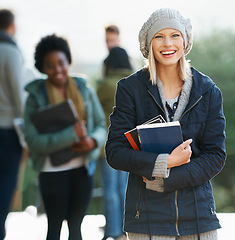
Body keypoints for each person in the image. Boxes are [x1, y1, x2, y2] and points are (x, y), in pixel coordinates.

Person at [106, 8, 226, 240]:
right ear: (149, 43)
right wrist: (165, 162)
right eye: (159, 36)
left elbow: (215, 155)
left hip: (199, 215)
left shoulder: (208, 90)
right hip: (147, 217)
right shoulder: (130, 89)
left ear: (185, 40)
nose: (167, 43)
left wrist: (164, 178)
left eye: (175, 35)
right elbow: (115, 152)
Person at [23, 34, 106, 240]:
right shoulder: (35, 96)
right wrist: (72, 134)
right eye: (50, 65)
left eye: (61, 62)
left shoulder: (84, 89)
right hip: (51, 172)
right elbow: (33, 141)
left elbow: (101, 125)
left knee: (76, 230)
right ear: (42, 68)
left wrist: (93, 141)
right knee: (54, 230)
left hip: (82, 169)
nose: (58, 69)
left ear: (68, 61)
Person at [97, 25, 132, 240]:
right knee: (124, 188)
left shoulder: (106, 85)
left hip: (108, 144)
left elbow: (93, 111)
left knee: (109, 189)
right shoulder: (134, 81)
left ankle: (113, 231)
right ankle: (126, 229)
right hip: (129, 143)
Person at [0, 9, 25, 240]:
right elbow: (19, 96)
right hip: (7, 131)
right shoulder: (10, 51)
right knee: (5, 187)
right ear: (12, 25)